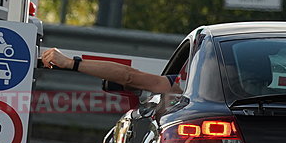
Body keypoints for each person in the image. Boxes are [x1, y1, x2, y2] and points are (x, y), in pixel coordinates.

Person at [41, 48, 181, 94]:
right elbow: (129, 77)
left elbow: (129, 77)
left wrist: (70, 63)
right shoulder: (191, 84)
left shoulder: (191, 83)